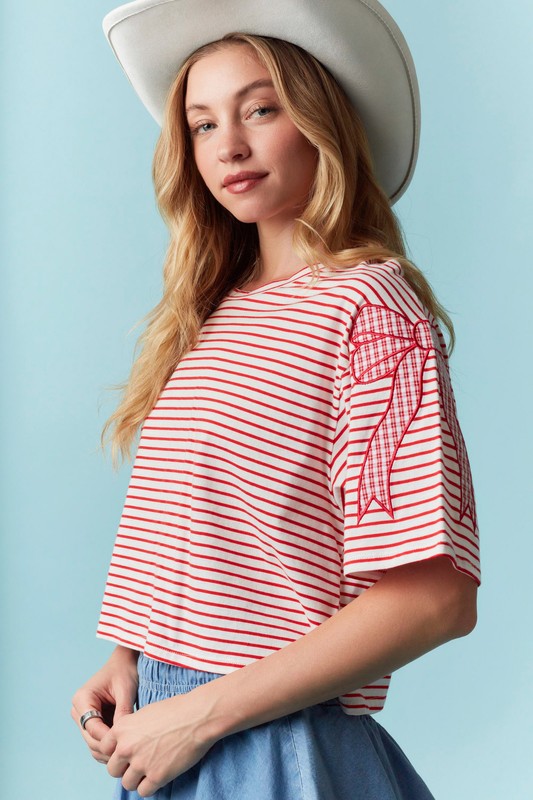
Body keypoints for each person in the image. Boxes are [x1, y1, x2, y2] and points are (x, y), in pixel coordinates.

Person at [71, 1, 481, 798]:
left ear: (322, 122)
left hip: (267, 749)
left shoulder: (369, 308)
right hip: (165, 741)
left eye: (260, 109)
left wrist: (199, 715)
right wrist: (130, 658)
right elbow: (213, 534)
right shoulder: (212, 313)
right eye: (201, 124)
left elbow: (435, 598)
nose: (228, 145)